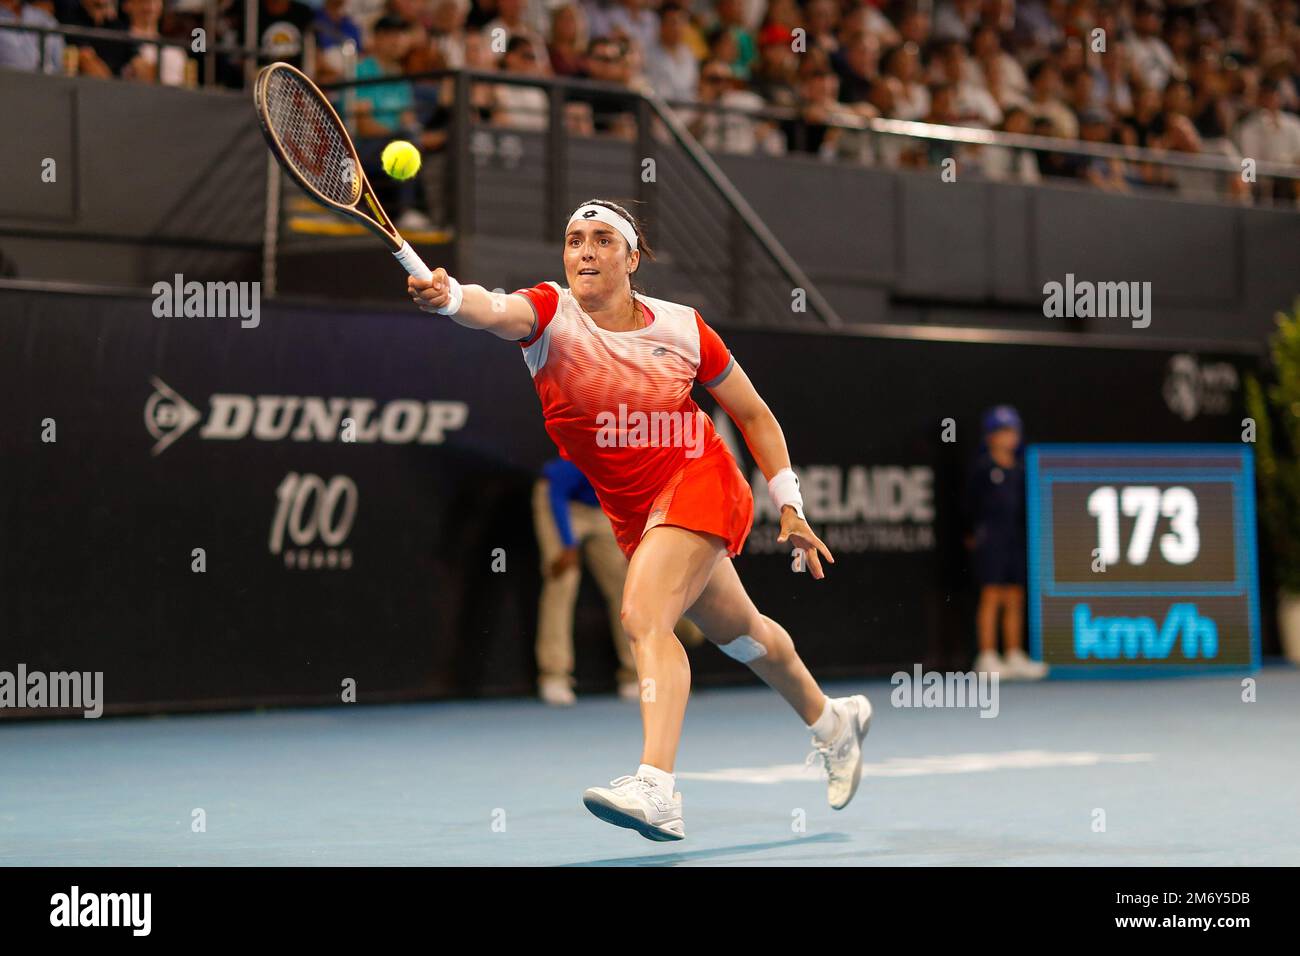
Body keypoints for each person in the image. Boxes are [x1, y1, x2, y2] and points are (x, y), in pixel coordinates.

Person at [406, 198, 872, 841]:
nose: (586, 252)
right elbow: (492, 309)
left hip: (700, 479)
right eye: (574, 240)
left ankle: (657, 787)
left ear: (632, 259)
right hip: (634, 514)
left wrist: (789, 503)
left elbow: (755, 415)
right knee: (744, 637)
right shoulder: (548, 313)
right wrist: (451, 296)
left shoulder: (684, 328)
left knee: (643, 616)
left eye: (602, 240)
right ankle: (833, 723)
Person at [964, 406, 1047, 681]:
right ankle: (987, 656)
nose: (1007, 437)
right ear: (989, 437)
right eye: (1001, 432)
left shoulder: (1023, 470)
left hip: (1016, 540)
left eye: (1011, 431)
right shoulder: (983, 469)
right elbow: (969, 507)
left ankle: (1013, 654)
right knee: (992, 595)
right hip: (991, 541)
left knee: (1015, 596)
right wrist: (974, 535)